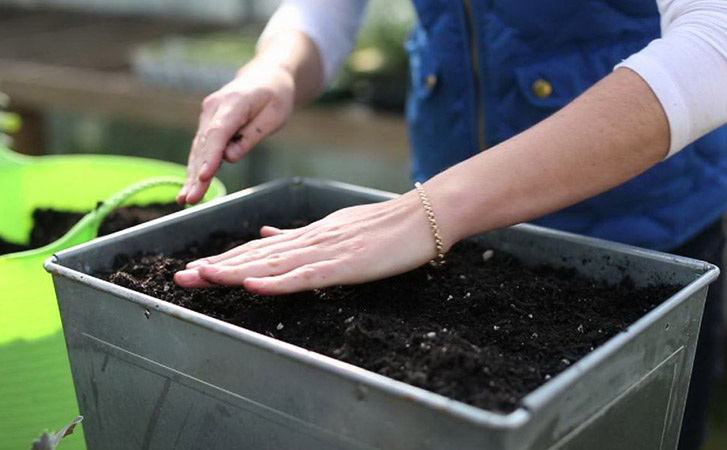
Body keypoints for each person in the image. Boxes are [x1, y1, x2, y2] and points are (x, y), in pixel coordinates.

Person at [174, 1, 727, 448]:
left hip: (639, 227)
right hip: (445, 231)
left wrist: (428, 211)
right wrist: (277, 69)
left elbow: (716, 37)